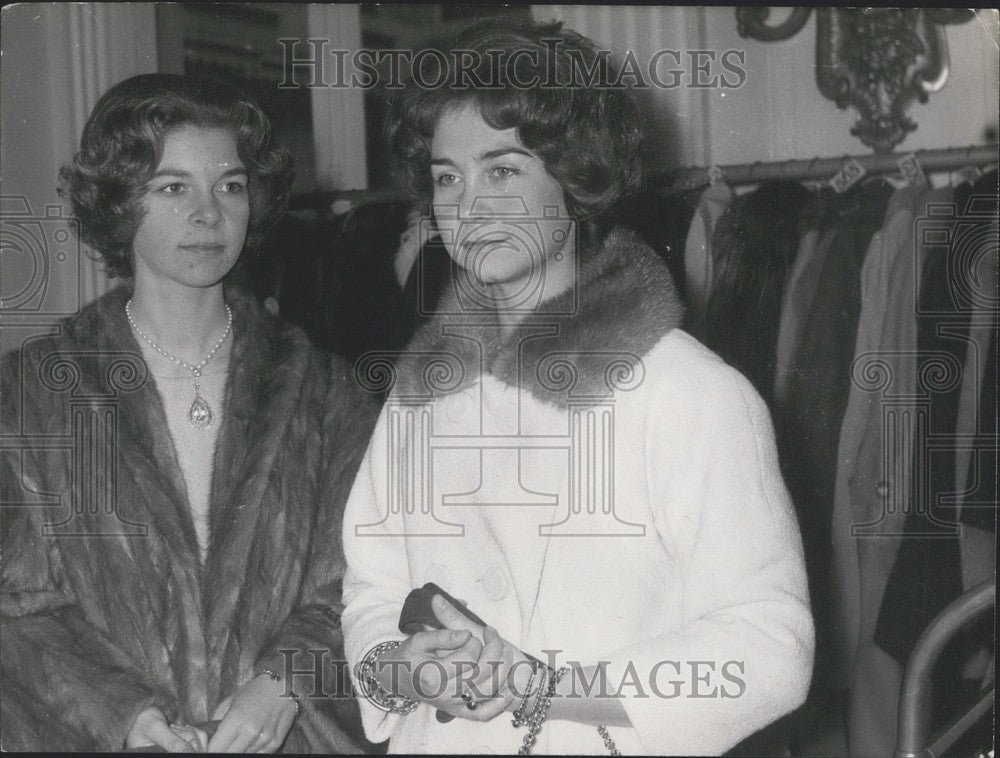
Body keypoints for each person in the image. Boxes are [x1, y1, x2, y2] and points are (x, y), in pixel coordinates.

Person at [341, 18, 815, 756]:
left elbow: (769, 646)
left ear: (577, 179)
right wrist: (401, 671)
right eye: (446, 177)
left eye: (502, 171)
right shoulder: (418, 397)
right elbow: (369, 588)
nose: (467, 207)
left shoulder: (688, 393)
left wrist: (551, 695)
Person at [0, 74, 376, 753]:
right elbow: (16, 601)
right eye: (173, 187)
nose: (208, 213)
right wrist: (123, 716)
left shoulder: (327, 391)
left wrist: (284, 682)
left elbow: (360, 582)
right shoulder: (34, 390)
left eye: (230, 185)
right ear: (119, 204)